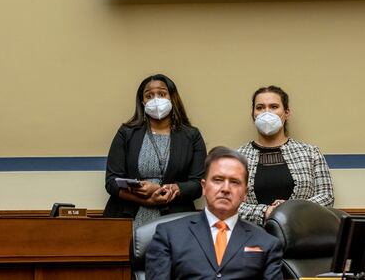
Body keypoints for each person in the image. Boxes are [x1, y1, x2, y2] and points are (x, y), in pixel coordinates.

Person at [145, 146, 283, 280]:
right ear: (204, 187)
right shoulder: (168, 235)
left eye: (234, 182)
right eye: (218, 180)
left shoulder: (267, 242)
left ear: (245, 194)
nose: (225, 189)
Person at [104, 73, 207, 226]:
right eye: (149, 96)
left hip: (177, 219)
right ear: (142, 102)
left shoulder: (191, 136)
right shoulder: (126, 133)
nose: (156, 99)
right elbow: (111, 182)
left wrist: (160, 189)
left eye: (161, 94)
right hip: (128, 217)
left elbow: (198, 185)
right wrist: (146, 200)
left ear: (172, 98)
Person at [236, 85, 334, 226]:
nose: (267, 113)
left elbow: (327, 197)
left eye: (274, 107)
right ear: (253, 114)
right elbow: (231, 204)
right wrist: (266, 212)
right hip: (253, 237)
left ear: (286, 112)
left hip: (303, 235)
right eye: (260, 107)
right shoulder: (238, 157)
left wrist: (291, 208)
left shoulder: (310, 152)